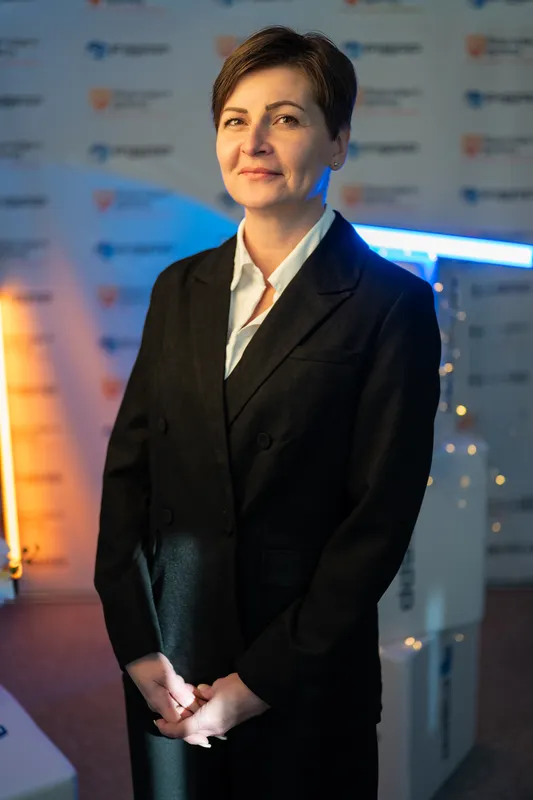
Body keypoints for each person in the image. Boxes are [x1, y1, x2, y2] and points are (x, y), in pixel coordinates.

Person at [94, 25, 441, 800]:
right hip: (172, 666)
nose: (253, 142)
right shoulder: (178, 288)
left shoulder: (390, 306)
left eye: (284, 118)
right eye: (234, 120)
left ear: (337, 141)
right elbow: (130, 476)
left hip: (300, 669)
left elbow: (376, 522)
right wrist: (139, 648)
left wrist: (256, 684)